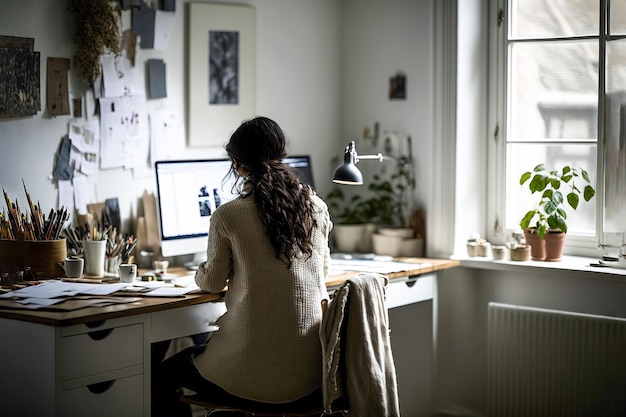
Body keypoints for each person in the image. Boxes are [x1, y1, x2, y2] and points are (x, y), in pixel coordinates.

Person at [153, 116, 332, 416]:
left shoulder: (228, 216)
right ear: (280, 155)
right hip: (310, 378)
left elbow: (211, 283)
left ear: (237, 164)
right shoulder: (316, 206)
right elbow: (323, 269)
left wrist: (199, 270)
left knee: (159, 376)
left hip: (252, 378)